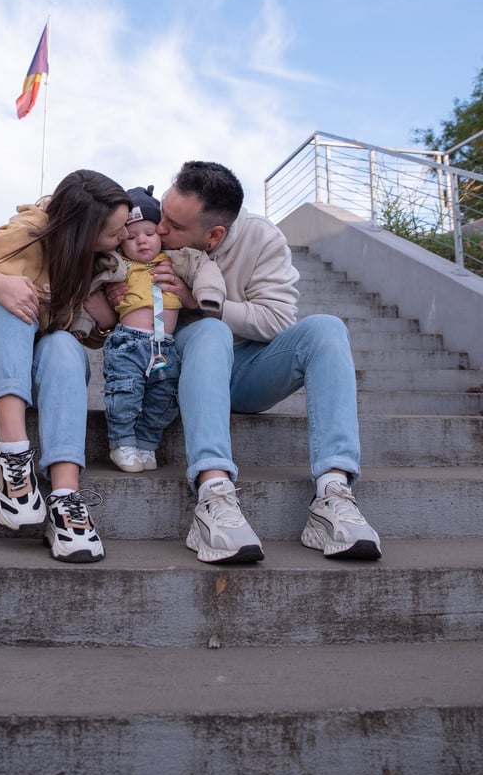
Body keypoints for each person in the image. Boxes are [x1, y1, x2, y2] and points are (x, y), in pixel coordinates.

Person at [108, 159, 382, 565]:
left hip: (247, 372)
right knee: (209, 332)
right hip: (177, 369)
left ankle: (333, 492)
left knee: (326, 329)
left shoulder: (261, 238)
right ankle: (213, 493)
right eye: (163, 211)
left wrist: (196, 302)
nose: (159, 229)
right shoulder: (146, 238)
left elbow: (277, 320)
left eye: (174, 225)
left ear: (214, 234)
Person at [0, 169, 132, 564]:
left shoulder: (102, 261)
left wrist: (105, 321)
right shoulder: (27, 235)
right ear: (83, 231)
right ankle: (13, 458)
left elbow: (90, 337)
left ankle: (65, 499)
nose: (124, 237)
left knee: (63, 343)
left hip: (43, 376)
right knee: (14, 296)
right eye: (113, 232)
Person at [72, 185, 226, 474]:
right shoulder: (117, 264)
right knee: (124, 393)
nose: (142, 241)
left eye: (150, 233)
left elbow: (206, 269)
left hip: (166, 345)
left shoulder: (177, 259)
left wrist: (208, 295)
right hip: (128, 343)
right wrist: (82, 325)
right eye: (132, 237)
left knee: (164, 398)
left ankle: (146, 444)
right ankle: (122, 443)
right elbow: (90, 291)